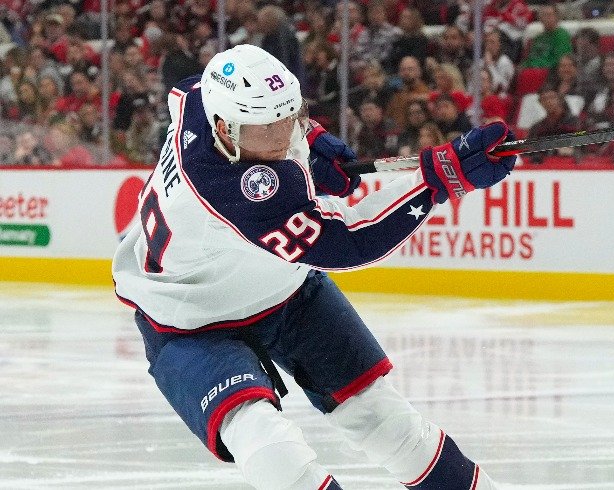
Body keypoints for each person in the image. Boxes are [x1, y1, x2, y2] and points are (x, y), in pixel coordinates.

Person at [112, 44, 515, 489]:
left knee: (381, 416)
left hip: (286, 292)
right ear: (226, 130)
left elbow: (188, 89)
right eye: (273, 126)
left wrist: (315, 140)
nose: (288, 135)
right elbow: (349, 239)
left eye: (293, 116)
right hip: (189, 323)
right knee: (263, 440)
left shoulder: (201, 101)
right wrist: (438, 179)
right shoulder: (237, 189)